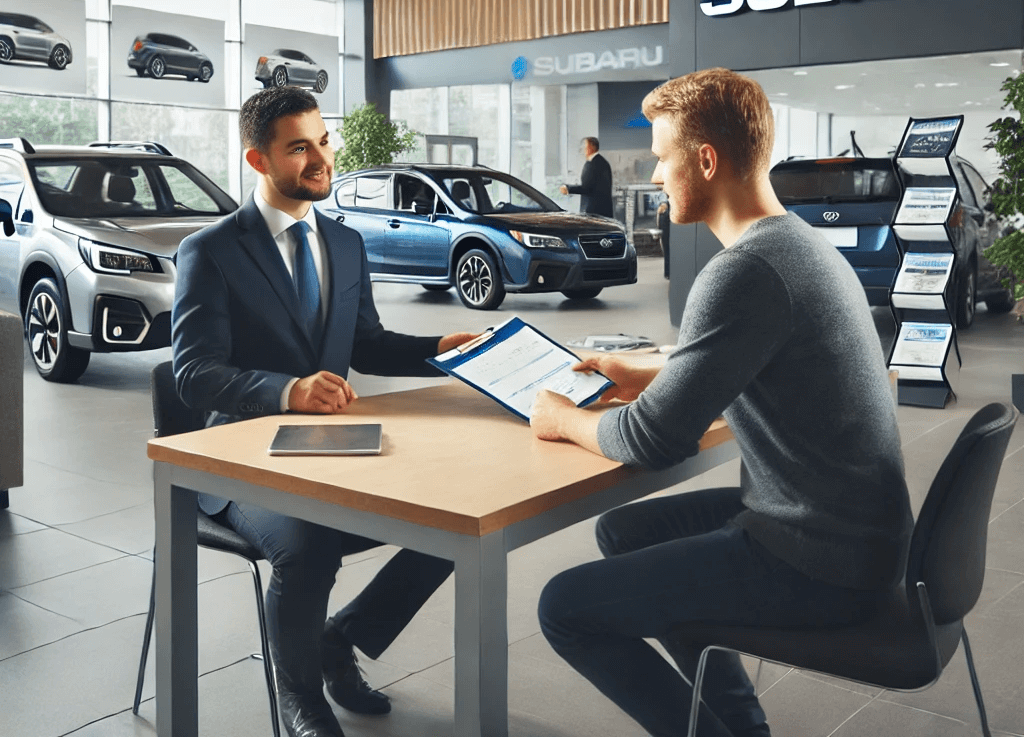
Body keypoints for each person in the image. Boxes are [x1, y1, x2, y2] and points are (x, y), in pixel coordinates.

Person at [530, 68, 913, 737]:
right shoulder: (797, 247)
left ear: (706, 160)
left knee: (564, 606)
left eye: (661, 158)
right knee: (625, 532)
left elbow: (652, 442)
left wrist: (564, 419)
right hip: (856, 533)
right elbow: (746, 358)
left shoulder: (743, 271)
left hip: (817, 558)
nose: (653, 177)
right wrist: (651, 369)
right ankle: (739, 723)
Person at [173, 86, 476, 737]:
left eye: (323, 140)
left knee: (461, 521)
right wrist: (287, 390)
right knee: (307, 546)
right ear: (259, 161)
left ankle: (341, 639)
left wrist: (439, 350)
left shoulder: (345, 244)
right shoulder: (211, 250)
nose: (320, 158)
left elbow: (366, 342)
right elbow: (194, 375)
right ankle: (301, 696)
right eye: (299, 147)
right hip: (238, 461)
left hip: (332, 447)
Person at [560, 136, 613, 217]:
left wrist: (568, 189)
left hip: (596, 212)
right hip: (601, 211)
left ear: (590, 148)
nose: (583, 149)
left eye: (584, 146)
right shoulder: (601, 162)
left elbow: (587, 188)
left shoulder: (594, 164)